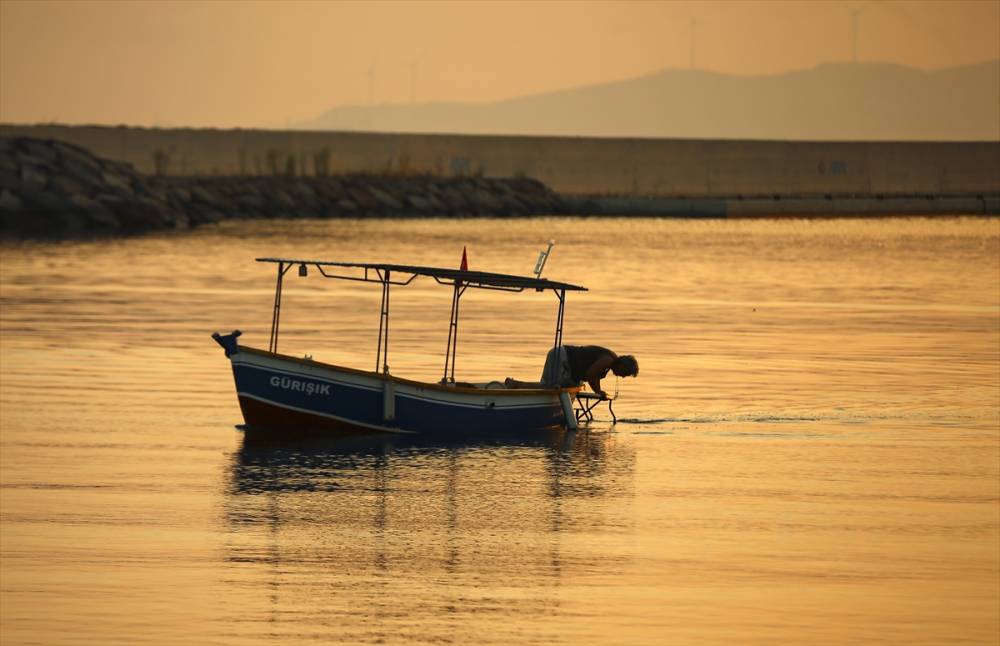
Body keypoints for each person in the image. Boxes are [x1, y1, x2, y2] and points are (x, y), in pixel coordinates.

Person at [505, 345, 638, 399]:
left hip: (567, 364)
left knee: (560, 385)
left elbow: (591, 374)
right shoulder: (608, 360)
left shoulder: (609, 361)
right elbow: (592, 374)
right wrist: (598, 392)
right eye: (625, 373)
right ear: (622, 365)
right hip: (562, 357)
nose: (623, 376)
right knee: (549, 387)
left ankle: (517, 385)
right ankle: (515, 384)